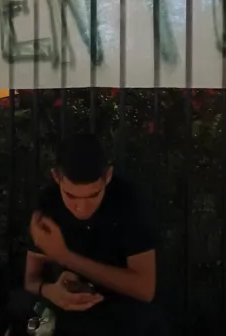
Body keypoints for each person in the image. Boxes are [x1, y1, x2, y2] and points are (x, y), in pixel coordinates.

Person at [21, 133, 163, 336]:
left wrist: (65, 257)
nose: (81, 208)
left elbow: (145, 289)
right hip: (65, 316)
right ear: (56, 177)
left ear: (108, 176)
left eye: (93, 195)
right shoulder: (49, 202)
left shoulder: (129, 203)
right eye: (70, 195)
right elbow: (30, 280)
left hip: (124, 318)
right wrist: (49, 291)